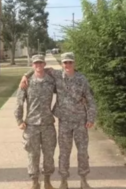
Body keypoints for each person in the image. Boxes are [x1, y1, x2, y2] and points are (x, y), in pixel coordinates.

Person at [20, 52, 97, 189]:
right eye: (65, 62)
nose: (67, 65)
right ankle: (63, 180)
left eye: (70, 62)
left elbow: (90, 100)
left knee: (83, 152)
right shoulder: (56, 76)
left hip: (80, 121)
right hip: (64, 122)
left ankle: (83, 179)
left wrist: (90, 118)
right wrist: (25, 75)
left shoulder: (82, 79)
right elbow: (38, 68)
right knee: (64, 152)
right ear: (61, 64)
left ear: (74, 63)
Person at [14, 54, 57, 189]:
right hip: (31, 125)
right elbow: (19, 102)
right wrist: (19, 120)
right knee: (33, 155)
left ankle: (47, 181)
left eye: (40, 63)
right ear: (32, 65)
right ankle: (34, 181)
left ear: (44, 64)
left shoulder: (51, 80)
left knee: (49, 154)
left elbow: (64, 89)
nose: (38, 66)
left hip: (48, 124)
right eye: (35, 64)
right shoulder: (26, 82)